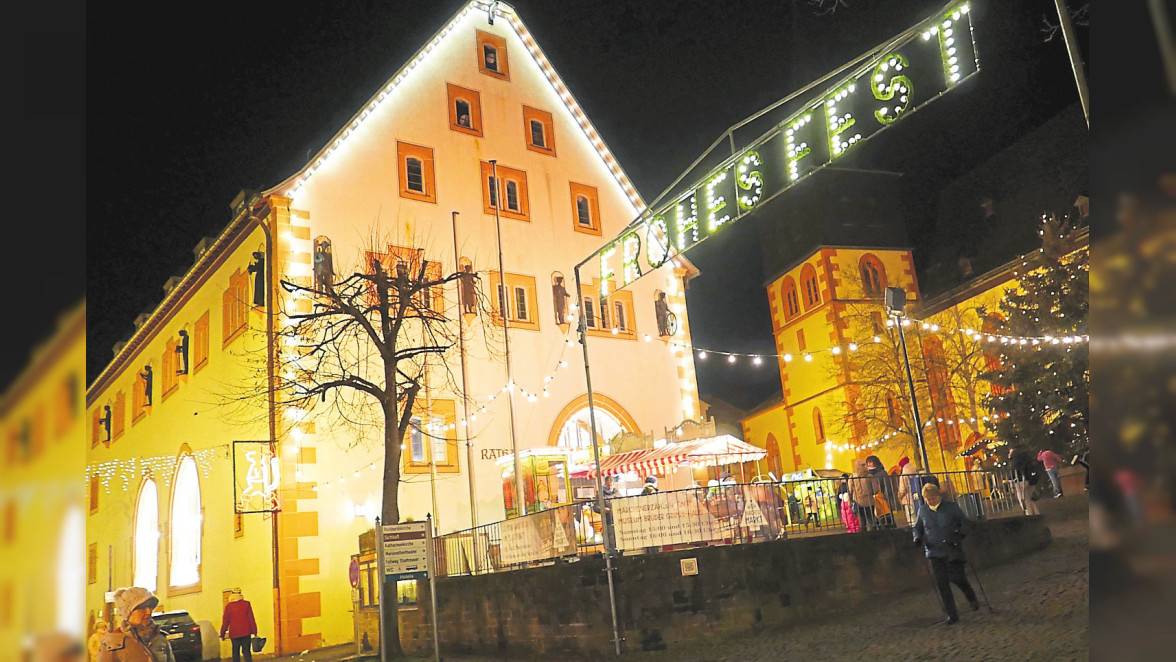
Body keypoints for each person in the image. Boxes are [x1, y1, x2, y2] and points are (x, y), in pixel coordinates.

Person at [913, 483, 980, 625]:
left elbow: (965, 523)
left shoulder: (951, 507)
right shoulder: (923, 511)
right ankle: (951, 614)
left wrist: (959, 534)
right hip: (934, 552)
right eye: (928, 499)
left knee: (957, 578)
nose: (931, 501)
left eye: (933, 498)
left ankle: (971, 596)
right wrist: (917, 537)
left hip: (952, 549)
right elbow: (917, 527)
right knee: (942, 583)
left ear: (939, 495)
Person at [97, 586, 174, 662]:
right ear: (128, 612)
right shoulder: (112, 641)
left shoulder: (160, 638)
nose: (148, 612)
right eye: (142, 608)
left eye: (150, 607)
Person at [219, 588, 259, 662]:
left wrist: (222, 634)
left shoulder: (229, 606)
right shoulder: (246, 604)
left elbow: (225, 622)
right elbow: (251, 618)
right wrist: (254, 631)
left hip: (234, 633)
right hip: (246, 632)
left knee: (235, 652)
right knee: (247, 652)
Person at [865, 454, 896, 528]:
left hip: (882, 498)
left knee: (886, 517)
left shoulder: (882, 473)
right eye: (868, 463)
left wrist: (886, 496)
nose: (869, 464)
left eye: (870, 462)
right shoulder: (868, 475)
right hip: (873, 500)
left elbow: (887, 485)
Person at [849, 460, 878, 531]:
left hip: (858, 502)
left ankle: (863, 536)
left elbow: (850, 490)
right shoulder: (869, 476)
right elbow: (875, 490)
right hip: (869, 502)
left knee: (862, 521)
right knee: (870, 519)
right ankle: (873, 536)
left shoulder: (852, 477)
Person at [1011, 448, 1041, 515]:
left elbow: (1013, 472)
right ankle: (1036, 513)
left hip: (1020, 481)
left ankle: (1029, 514)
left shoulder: (1015, 461)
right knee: (1028, 499)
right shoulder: (1028, 459)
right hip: (1031, 480)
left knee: (1024, 500)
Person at [896, 456, 921, 525]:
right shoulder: (914, 473)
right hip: (916, 497)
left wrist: (899, 496)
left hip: (908, 499)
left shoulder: (904, 476)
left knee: (911, 517)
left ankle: (914, 530)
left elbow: (903, 489)